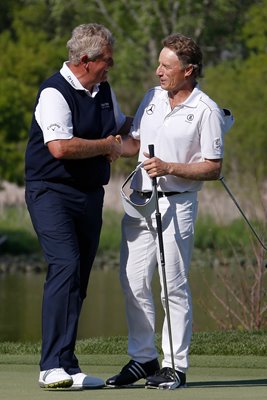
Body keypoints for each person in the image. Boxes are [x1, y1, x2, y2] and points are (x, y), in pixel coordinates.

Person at [106, 33, 234, 389]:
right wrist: (113, 146)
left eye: (167, 66)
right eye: (159, 63)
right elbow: (135, 142)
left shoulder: (206, 110)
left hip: (177, 204)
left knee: (171, 288)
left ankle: (175, 365)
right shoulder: (152, 97)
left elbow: (213, 167)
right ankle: (143, 357)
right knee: (132, 281)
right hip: (141, 203)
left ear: (189, 70)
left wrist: (171, 167)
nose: (158, 71)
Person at [25, 23, 132, 390]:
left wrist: (166, 122)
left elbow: (124, 131)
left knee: (80, 276)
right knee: (65, 264)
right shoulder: (54, 92)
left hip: (89, 193)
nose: (110, 67)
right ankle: (50, 365)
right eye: (107, 61)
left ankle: (67, 364)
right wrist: (106, 145)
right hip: (50, 191)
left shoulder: (103, 90)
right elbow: (60, 147)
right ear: (85, 60)